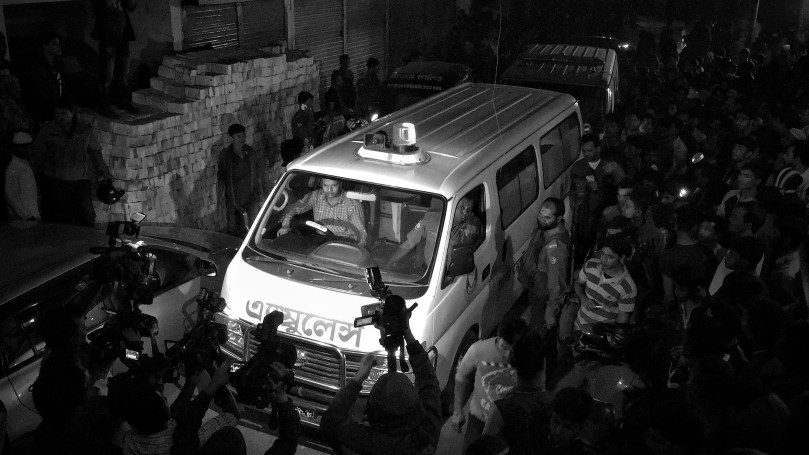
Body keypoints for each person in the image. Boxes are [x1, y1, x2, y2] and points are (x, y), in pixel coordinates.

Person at [321, 296, 442, 455]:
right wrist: (407, 332)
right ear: (416, 412)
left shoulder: (354, 441)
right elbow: (428, 381)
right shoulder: (426, 437)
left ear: (369, 412)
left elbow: (331, 418)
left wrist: (359, 378)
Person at [121, 359, 243, 455]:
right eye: (163, 398)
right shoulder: (180, 439)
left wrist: (191, 383)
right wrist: (216, 382)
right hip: (190, 445)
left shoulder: (129, 441)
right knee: (232, 416)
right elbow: (191, 419)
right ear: (166, 415)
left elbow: (177, 414)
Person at [32, 99, 113, 226]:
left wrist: (105, 173)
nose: (60, 117)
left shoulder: (85, 131)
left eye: (63, 114)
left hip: (79, 181)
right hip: (56, 182)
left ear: (72, 113)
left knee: (87, 216)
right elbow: (38, 156)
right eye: (57, 114)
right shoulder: (47, 131)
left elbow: (96, 154)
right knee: (60, 218)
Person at [451, 317, 527, 450]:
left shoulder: (528, 353)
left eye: (513, 348)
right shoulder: (478, 350)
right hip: (478, 420)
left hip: (508, 423)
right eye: (504, 347)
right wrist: (458, 411)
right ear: (499, 337)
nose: (508, 354)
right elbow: (461, 377)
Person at [483, 330, 554, 454]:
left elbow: (483, 449)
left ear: (513, 362)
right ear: (544, 363)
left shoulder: (501, 409)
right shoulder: (556, 404)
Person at [570, 133, 625, 265]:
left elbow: (620, 188)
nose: (586, 154)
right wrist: (575, 204)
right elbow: (573, 191)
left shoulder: (608, 167)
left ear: (598, 148)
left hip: (604, 216)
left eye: (589, 150)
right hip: (584, 217)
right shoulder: (578, 167)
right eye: (584, 151)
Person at [386, 195, 480, 270]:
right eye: (462, 207)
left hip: (452, 276)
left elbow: (476, 224)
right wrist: (389, 263)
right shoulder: (430, 219)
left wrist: (473, 222)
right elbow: (409, 243)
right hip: (430, 272)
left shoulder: (469, 226)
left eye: (468, 209)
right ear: (453, 205)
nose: (464, 212)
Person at [519, 197, 570, 333]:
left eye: (547, 217)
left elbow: (557, 284)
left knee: (537, 328)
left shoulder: (555, 249)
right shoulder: (545, 231)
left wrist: (551, 311)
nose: (541, 219)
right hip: (537, 289)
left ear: (558, 219)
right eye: (540, 214)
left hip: (543, 297)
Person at [573, 236, 637, 334]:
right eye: (602, 254)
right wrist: (584, 299)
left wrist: (600, 329)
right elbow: (578, 284)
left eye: (610, 257)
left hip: (600, 336)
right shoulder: (590, 265)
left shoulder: (627, 288)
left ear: (622, 258)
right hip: (579, 325)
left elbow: (622, 320)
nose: (603, 259)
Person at [277, 178, 367, 246]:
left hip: (342, 244)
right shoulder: (316, 196)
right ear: (321, 184)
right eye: (326, 185)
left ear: (340, 184)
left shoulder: (353, 205)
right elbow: (295, 207)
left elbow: (361, 235)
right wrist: (285, 225)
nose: (329, 190)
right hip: (319, 241)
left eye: (334, 185)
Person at [217, 123, 268, 236]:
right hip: (233, 199)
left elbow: (258, 174)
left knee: (253, 228)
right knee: (233, 229)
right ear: (232, 138)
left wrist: (261, 194)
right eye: (238, 136)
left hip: (251, 197)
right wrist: (219, 200)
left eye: (243, 136)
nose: (242, 139)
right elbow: (221, 178)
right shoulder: (226, 155)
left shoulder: (250, 152)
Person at [91, 0, 139, 117]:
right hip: (108, 35)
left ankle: (121, 101)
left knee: (123, 73)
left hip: (123, 35)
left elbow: (132, 6)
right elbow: (99, 7)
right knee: (107, 75)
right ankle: (105, 105)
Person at [22, 31, 64, 126]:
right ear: (45, 45)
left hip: (58, 106)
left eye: (59, 44)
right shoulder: (37, 67)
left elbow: (62, 85)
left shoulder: (58, 64)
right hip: (46, 111)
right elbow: (41, 92)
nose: (59, 47)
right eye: (54, 44)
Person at [4, 132, 39, 221]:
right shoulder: (13, 168)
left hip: (29, 215)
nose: (31, 150)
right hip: (22, 218)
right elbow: (11, 195)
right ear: (20, 149)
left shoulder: (25, 164)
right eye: (29, 148)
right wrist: (26, 215)